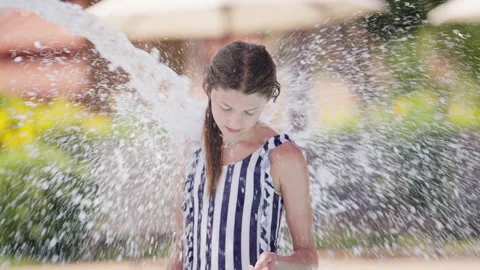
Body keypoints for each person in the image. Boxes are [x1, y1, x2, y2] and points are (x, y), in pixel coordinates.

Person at [168, 41, 317, 270]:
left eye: (249, 112)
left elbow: (308, 259)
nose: (235, 122)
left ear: (267, 100)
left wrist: (278, 263)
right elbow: (182, 247)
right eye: (226, 108)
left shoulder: (281, 156)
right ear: (208, 88)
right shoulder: (192, 149)